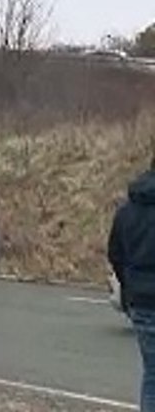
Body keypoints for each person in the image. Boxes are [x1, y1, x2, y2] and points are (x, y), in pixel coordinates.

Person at [107, 158, 155, 411]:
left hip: (141, 301)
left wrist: (129, 284)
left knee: (152, 375)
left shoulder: (127, 209)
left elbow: (115, 252)